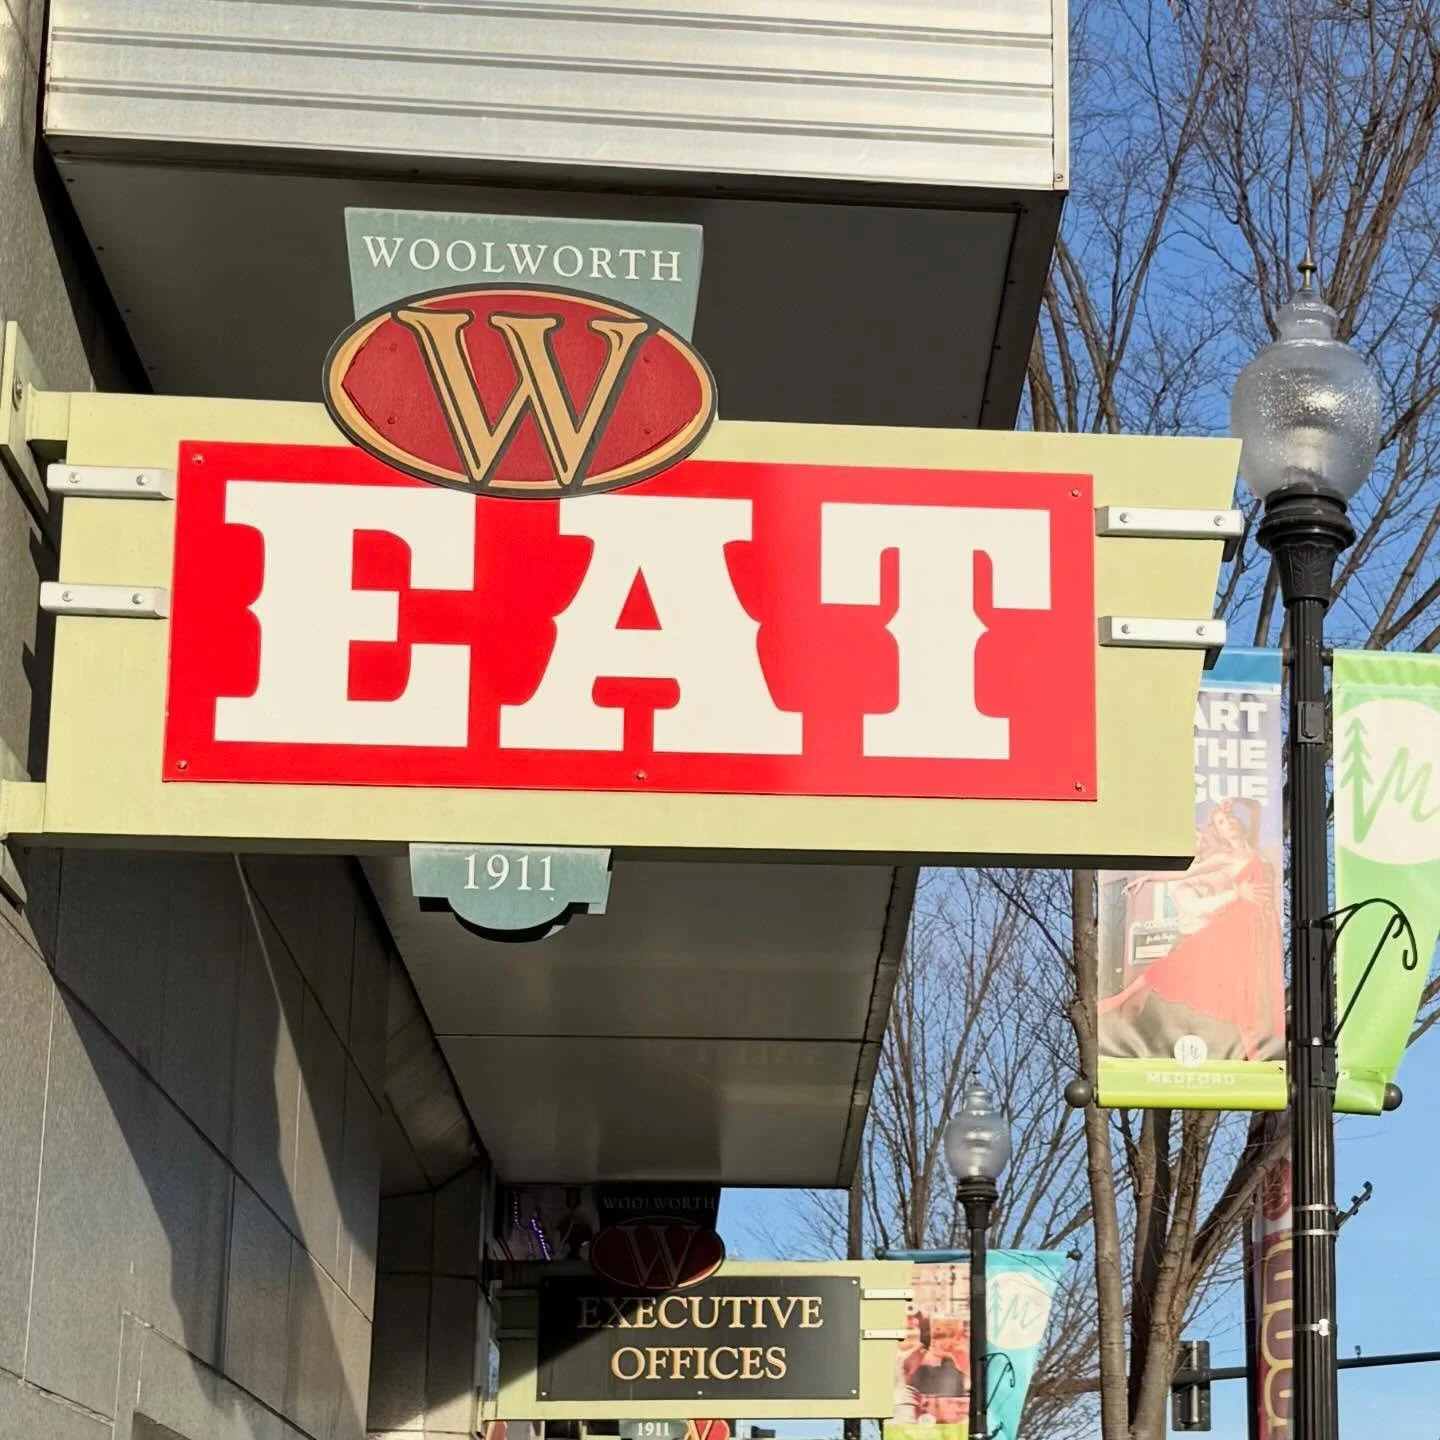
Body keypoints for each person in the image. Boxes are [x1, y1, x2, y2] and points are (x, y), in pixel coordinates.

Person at [1097, 798, 1283, 1060]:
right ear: (1218, 832)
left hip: (1264, 925)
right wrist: (1148, 878)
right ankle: (1120, 999)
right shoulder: (1225, 858)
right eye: (1221, 822)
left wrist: (1234, 802)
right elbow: (1185, 874)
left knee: (1257, 989)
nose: (1228, 824)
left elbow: (1255, 808)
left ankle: (1256, 1050)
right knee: (1227, 983)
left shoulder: (1253, 847)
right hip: (1238, 922)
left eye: (1230, 819)